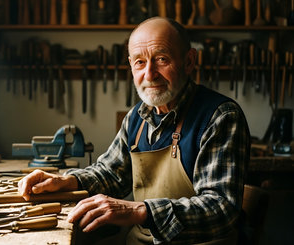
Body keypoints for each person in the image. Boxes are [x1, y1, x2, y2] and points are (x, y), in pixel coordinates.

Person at [18, 17, 250, 244]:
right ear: (131, 64)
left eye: (161, 59)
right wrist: (66, 182)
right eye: (140, 62)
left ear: (188, 61)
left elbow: (221, 209)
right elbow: (111, 174)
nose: (149, 74)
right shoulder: (137, 117)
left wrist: (141, 211)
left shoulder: (220, 117)